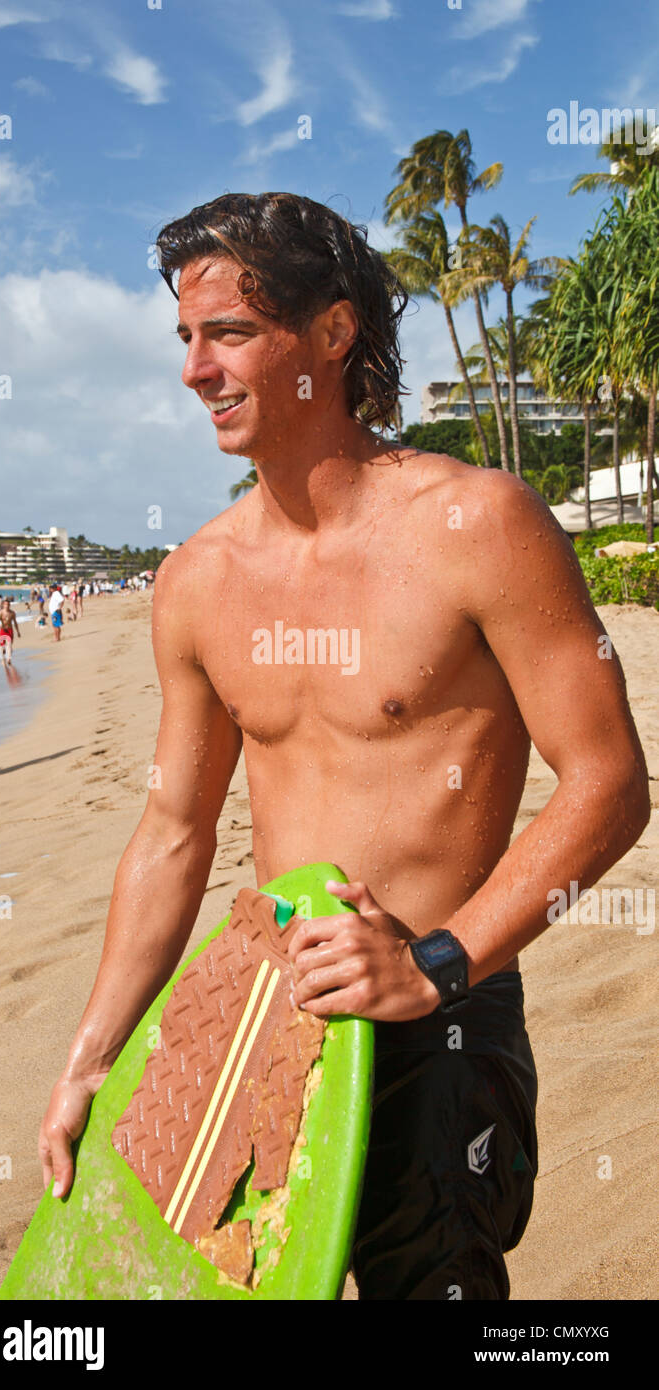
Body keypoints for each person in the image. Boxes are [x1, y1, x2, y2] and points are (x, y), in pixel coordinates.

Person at [38, 192, 650, 1300]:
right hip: (266, 1024)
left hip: (441, 1023)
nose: (194, 371)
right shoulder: (196, 582)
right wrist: (94, 1053)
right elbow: (174, 831)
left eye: (228, 333)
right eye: (186, 339)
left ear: (331, 332)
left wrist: (435, 964)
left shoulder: (478, 525)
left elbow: (609, 782)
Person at [0, 597, 20, 664]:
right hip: (3, 630)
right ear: (3, 605)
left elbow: (15, 622)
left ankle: (8, 658)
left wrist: (18, 631)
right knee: (2, 646)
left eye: (8, 605)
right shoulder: (1, 612)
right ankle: (3, 658)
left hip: (10, 630)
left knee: (9, 644)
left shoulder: (12, 613)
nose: (7, 606)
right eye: (6, 604)